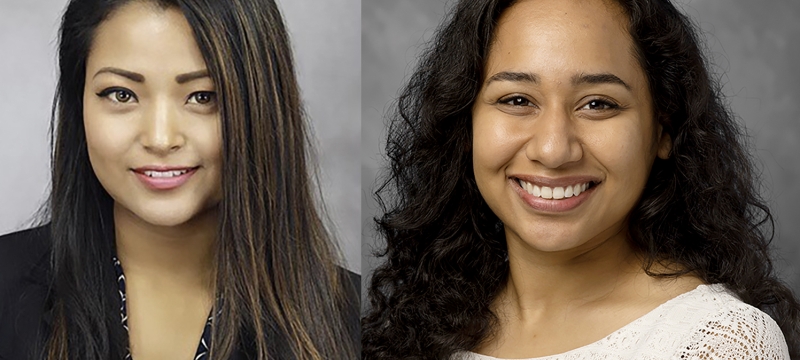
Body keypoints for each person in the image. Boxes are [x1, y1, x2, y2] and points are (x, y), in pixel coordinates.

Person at [362, 0, 799, 359]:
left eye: (598, 104)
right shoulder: (416, 325)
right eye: (517, 99)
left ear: (663, 130)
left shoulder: (720, 344)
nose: (553, 150)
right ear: (466, 125)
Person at [0, 0, 359, 359]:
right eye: (121, 94)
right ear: (79, 105)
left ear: (262, 109)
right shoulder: (7, 284)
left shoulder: (359, 321)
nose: (160, 138)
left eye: (203, 97)